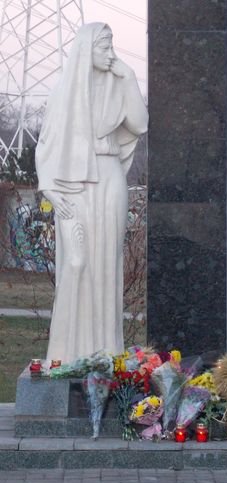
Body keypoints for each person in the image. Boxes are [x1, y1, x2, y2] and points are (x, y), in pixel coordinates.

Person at [35, 23, 148, 362]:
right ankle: (67, 353)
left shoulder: (118, 84)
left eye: (112, 46)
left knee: (108, 262)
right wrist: (50, 189)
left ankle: (107, 353)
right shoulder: (65, 92)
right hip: (74, 185)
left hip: (110, 177)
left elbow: (140, 124)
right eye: (104, 47)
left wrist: (129, 77)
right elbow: (46, 144)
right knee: (77, 264)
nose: (110, 53)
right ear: (87, 50)